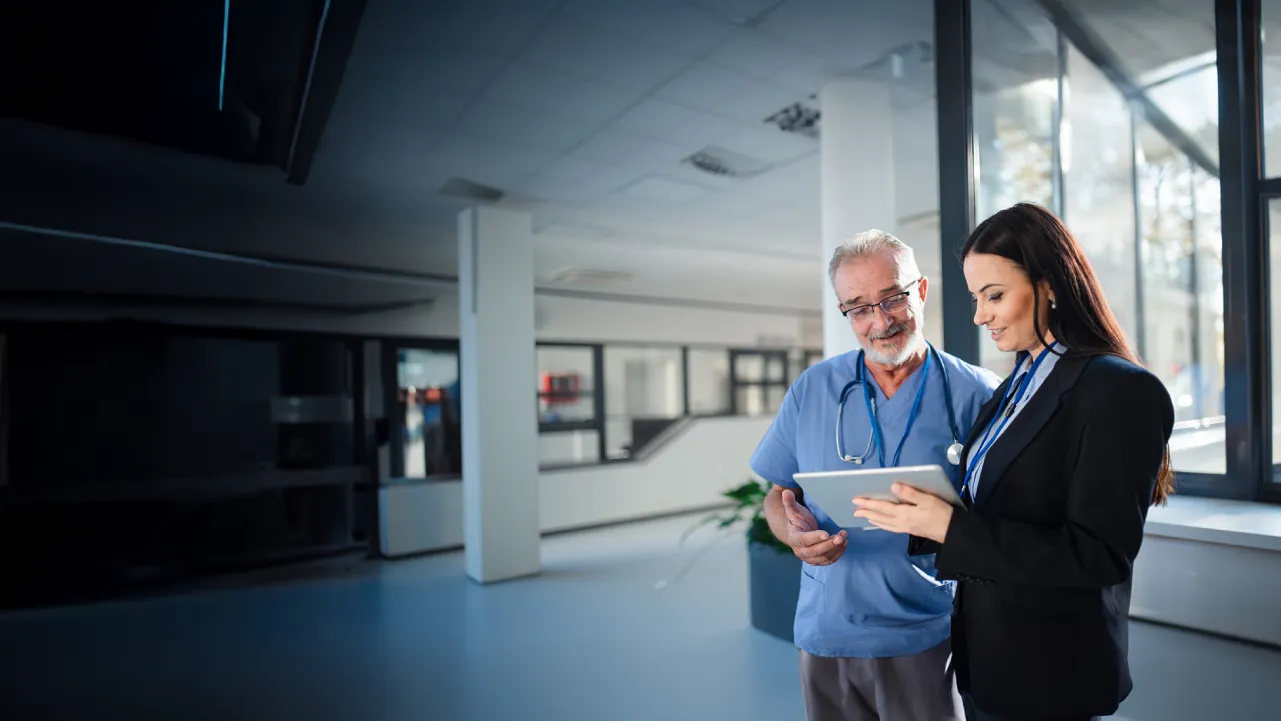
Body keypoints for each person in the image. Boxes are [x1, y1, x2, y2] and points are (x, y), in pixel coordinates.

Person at [852, 203, 1176, 721]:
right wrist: (928, 514)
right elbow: (1008, 506)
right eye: (976, 298)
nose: (980, 316)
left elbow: (1097, 557)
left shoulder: (1119, 390)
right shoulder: (1015, 386)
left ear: (1049, 285)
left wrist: (951, 528)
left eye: (994, 295)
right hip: (990, 663)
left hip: (1051, 675)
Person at [750, 230, 999, 721]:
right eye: (859, 308)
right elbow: (780, 493)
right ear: (844, 311)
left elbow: (1004, 518)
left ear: (921, 291)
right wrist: (793, 534)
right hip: (827, 631)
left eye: (893, 298)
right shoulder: (813, 389)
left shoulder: (977, 393)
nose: (880, 322)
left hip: (928, 632)